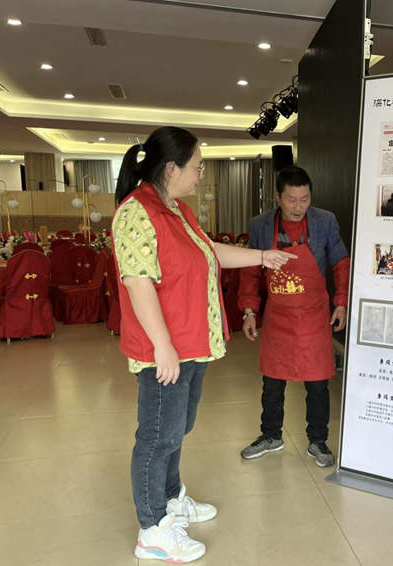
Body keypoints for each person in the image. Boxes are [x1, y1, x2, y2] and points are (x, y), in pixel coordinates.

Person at [112, 126, 296, 563]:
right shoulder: (137, 212)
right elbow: (138, 283)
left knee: (178, 429)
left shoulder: (177, 209)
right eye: (196, 167)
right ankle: (152, 529)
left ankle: (171, 499)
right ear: (170, 168)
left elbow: (209, 252)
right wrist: (162, 346)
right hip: (166, 349)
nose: (200, 175)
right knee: (157, 437)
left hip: (192, 343)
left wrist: (262, 257)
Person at [238, 165, 350, 467]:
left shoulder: (325, 221)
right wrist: (249, 310)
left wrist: (341, 302)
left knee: (317, 383)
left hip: (314, 314)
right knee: (272, 382)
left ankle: (318, 441)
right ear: (277, 196)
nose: (298, 207)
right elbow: (250, 271)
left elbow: (341, 263)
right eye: (291, 199)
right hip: (278, 314)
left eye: (304, 199)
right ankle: (271, 435)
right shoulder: (261, 225)